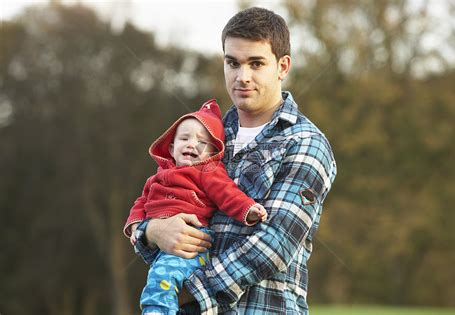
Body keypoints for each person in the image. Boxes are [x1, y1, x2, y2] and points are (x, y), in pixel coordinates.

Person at [134, 7, 337, 314]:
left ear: (283, 66)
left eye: (256, 64)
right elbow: (161, 200)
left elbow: (274, 245)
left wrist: (186, 295)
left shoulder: (305, 143)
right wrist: (152, 232)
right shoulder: (204, 136)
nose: (243, 77)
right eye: (233, 63)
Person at [124, 99, 268, 314]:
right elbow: (141, 202)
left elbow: (228, 194)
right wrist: (136, 226)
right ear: (171, 148)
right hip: (161, 246)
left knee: (161, 279)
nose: (192, 144)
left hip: (193, 239)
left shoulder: (207, 171)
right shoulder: (158, 176)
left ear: (213, 153)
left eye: (202, 142)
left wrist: (248, 209)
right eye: (184, 138)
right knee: (167, 282)